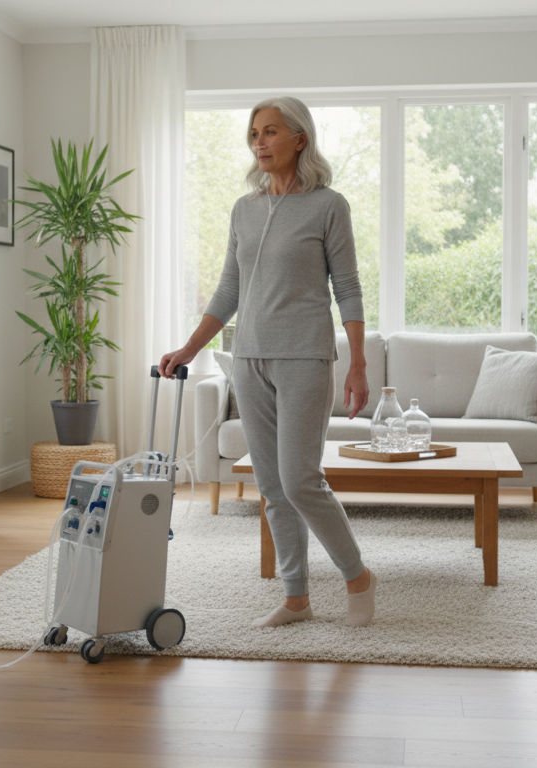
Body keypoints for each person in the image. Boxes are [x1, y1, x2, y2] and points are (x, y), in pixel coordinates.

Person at [159, 96, 376, 628]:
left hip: (304, 355)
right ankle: (296, 597)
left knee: (301, 479)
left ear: (299, 138)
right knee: (272, 486)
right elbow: (229, 288)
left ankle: (357, 577)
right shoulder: (244, 208)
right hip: (247, 357)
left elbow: (346, 287)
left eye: (271, 131)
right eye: (254, 132)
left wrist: (357, 364)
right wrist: (190, 348)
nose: (259, 141)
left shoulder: (329, 206)